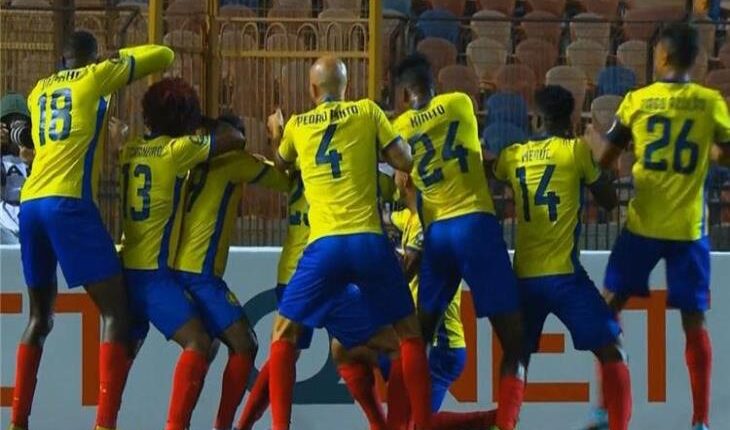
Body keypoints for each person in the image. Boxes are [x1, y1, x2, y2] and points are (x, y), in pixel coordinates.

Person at [9, 30, 173, 430]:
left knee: (39, 318)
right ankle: (104, 424)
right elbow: (163, 54)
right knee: (117, 311)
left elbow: (33, 138)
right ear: (92, 58)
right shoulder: (96, 76)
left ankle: (17, 422)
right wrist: (113, 59)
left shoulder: (38, 90)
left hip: (30, 204)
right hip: (68, 202)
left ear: (62, 58)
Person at [268, 56, 433, 430]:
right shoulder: (367, 112)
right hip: (368, 241)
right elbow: (404, 161)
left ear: (313, 89)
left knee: (283, 334)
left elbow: (280, 163)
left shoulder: (297, 125)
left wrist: (276, 132)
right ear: (346, 87)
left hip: (324, 246)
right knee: (409, 335)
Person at [590, 23, 730, 430]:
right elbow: (726, 154)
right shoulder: (710, 103)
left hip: (643, 225)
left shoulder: (638, 101)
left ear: (662, 56)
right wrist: (710, 152)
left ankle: (604, 409)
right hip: (689, 230)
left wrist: (590, 137)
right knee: (694, 321)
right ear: (696, 61)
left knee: (607, 308)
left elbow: (604, 160)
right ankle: (700, 421)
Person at [392, 53, 525, 430]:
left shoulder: (399, 127)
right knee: (515, 341)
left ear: (403, 95)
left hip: (437, 236)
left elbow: (402, 177)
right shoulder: (460, 103)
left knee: (418, 338)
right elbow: (475, 154)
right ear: (433, 83)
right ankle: (504, 424)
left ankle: (407, 422)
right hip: (474, 225)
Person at [492, 85, 631, 430]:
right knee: (612, 349)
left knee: (516, 355)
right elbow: (609, 200)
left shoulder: (512, 156)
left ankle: (504, 425)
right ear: (569, 121)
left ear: (536, 119)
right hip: (564, 278)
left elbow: (488, 174)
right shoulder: (574, 151)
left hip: (524, 277)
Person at [119, 77, 246, 430]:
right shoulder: (177, 152)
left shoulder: (129, 149)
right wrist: (197, 119)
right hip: (153, 275)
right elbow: (235, 138)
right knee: (199, 342)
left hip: (125, 264)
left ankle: (105, 421)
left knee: (125, 348)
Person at [171, 112, 291, 430]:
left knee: (206, 345)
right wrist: (278, 140)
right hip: (199, 275)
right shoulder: (235, 162)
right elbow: (288, 181)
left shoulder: (191, 161)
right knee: (245, 344)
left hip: (180, 269)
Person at [388, 171, 467, 413]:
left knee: (417, 421)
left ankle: (491, 420)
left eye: (395, 172)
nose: (392, 178)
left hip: (442, 346)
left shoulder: (425, 222)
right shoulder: (411, 216)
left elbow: (406, 272)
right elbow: (388, 217)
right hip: (434, 342)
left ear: (406, 179)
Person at [0, 92, 33, 244]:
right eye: (9, 124)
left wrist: (33, 163)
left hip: (30, 217)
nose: (15, 133)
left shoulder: (38, 154)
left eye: (20, 125)